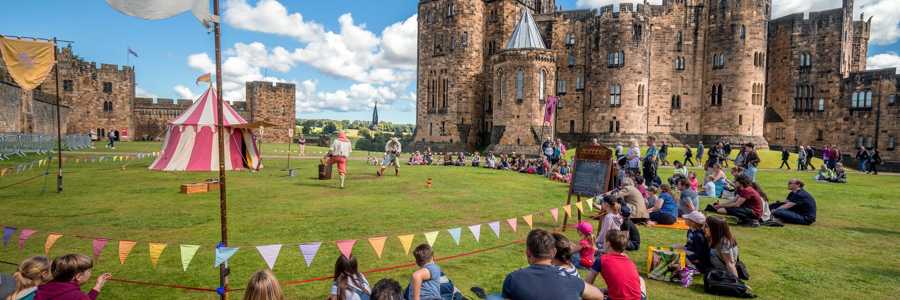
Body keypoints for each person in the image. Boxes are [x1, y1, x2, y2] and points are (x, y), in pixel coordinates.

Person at [500, 229, 604, 300]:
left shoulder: (513, 279)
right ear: (553, 252)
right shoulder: (571, 280)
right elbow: (599, 295)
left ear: (528, 253)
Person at [35, 254, 111, 300]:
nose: (91, 273)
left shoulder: (43, 288)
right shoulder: (77, 296)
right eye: (89, 271)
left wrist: (98, 286)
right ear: (79, 276)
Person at [596, 230, 646, 300]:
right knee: (641, 279)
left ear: (608, 244)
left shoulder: (601, 259)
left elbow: (587, 283)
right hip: (638, 298)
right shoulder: (629, 261)